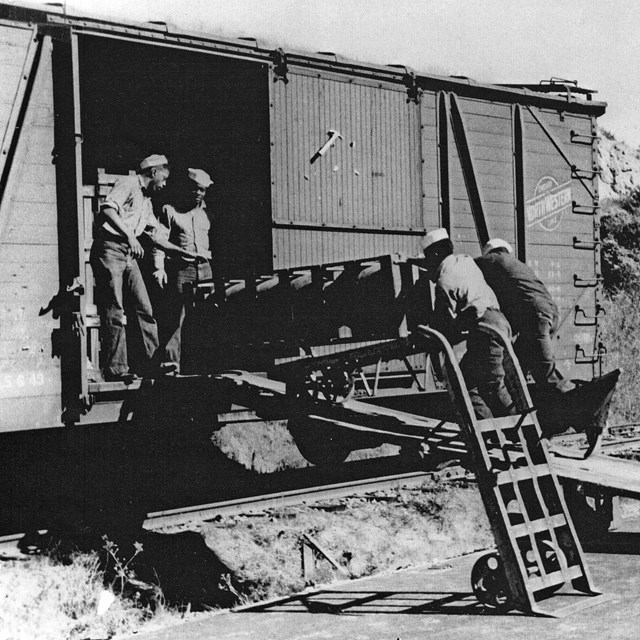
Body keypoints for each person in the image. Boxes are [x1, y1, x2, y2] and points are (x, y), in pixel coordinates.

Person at [90, 154, 204, 382]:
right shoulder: (129, 184)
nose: (163, 185)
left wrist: (181, 252)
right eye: (163, 179)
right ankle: (116, 369)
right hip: (111, 248)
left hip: (128, 253)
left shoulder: (147, 201)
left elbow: (155, 235)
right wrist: (130, 235)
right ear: (153, 173)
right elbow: (108, 209)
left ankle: (154, 365)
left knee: (144, 308)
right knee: (115, 309)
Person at [423, 228, 514, 420]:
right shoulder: (465, 260)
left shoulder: (443, 281)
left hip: (486, 329)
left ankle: (530, 437)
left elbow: (447, 327)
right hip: (500, 322)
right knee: (469, 380)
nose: (427, 262)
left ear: (436, 254)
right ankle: (492, 434)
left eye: (428, 257)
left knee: (490, 387)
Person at [475, 238, 573, 393]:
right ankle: (525, 405)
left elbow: (470, 265)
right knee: (517, 364)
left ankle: (570, 405)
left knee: (546, 375)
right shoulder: (517, 268)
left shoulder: (496, 258)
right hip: (549, 314)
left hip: (536, 317)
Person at [152, 168, 214, 373]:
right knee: (176, 316)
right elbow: (159, 240)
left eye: (202, 190)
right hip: (182, 269)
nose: (198, 193)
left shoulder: (209, 213)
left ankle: (201, 363)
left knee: (204, 316)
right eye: (195, 189)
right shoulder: (170, 210)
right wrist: (159, 267)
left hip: (205, 270)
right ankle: (171, 364)